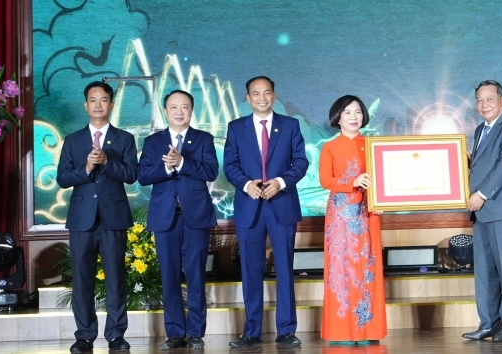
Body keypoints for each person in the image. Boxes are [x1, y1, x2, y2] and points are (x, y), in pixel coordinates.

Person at [223, 76, 310, 348]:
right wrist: (246, 184)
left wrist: (281, 182)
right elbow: (230, 164)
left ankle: (287, 330)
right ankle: (251, 332)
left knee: (284, 268)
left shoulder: (290, 125)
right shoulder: (236, 127)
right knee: (251, 271)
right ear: (248, 98)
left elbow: (301, 162)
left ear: (274, 95)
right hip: (249, 206)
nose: (262, 98)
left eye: (267, 92)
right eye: (256, 93)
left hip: (282, 204)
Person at [56, 81, 138, 353]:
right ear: (86, 105)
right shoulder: (73, 140)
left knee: (115, 278)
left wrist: (106, 162)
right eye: (93, 100)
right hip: (82, 219)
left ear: (111, 104)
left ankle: (116, 335)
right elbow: (63, 178)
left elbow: (132, 174)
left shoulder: (124, 138)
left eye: (103, 100)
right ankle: (84, 336)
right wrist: (87, 167)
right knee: (82, 280)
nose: (98, 104)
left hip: (114, 217)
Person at [137, 90, 220, 350]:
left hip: (196, 218)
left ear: (191, 111)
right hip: (165, 219)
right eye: (174, 107)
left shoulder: (203, 139)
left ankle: (195, 333)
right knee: (169, 277)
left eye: (184, 107)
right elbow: (143, 176)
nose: (179, 111)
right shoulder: (153, 142)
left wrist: (183, 162)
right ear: (166, 111)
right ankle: (174, 333)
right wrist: (167, 167)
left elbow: (211, 171)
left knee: (196, 276)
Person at [318, 95, 387, 345]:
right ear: (338, 118)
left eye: (357, 112)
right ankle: (342, 332)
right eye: (347, 112)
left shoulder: (373, 145)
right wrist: (352, 181)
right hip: (340, 215)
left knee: (367, 266)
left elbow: (384, 177)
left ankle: (367, 330)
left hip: (368, 212)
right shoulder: (329, 147)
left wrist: (384, 199)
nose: (353, 117)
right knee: (342, 267)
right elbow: (325, 180)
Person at [461, 80, 502, 343]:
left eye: (489, 99)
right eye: (479, 100)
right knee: (485, 273)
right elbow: (483, 165)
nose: (484, 104)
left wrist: (481, 194)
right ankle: (488, 323)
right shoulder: (480, 129)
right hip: (482, 213)